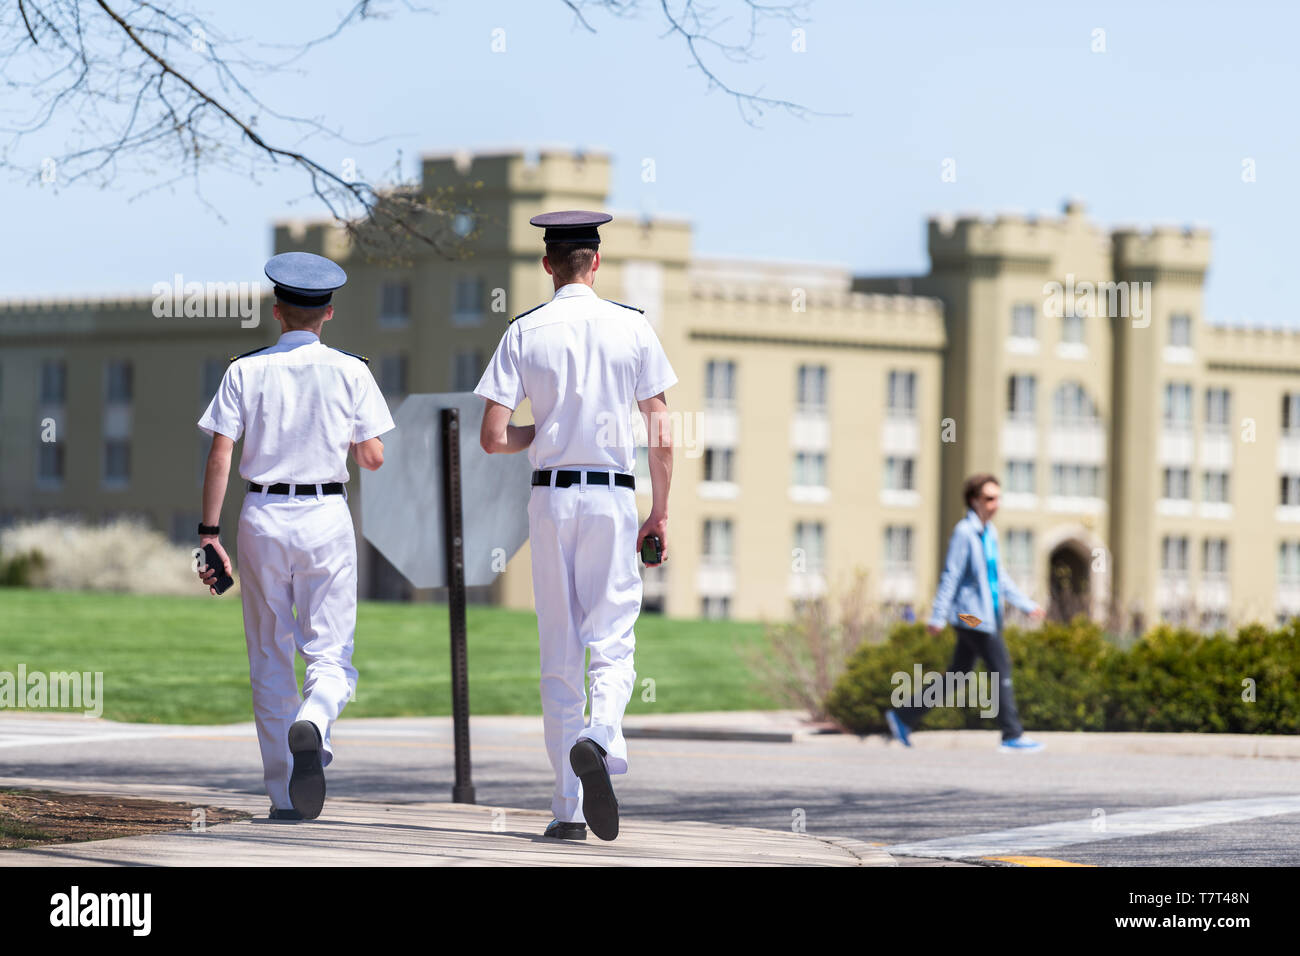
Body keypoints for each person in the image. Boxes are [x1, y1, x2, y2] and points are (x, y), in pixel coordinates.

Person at [475, 210, 676, 842]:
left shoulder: (524, 331)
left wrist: (547, 431)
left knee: (558, 652)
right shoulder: (633, 327)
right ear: (596, 259)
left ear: (547, 265)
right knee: (612, 638)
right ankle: (599, 736)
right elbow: (662, 431)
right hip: (612, 496)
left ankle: (566, 810)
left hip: (550, 499)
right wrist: (661, 511)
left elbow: (491, 437)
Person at [196, 251, 395, 820]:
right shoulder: (353, 370)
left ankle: (285, 794)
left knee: (269, 652)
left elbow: (219, 454)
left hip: (261, 515)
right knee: (330, 650)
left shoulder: (244, 370)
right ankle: (317, 716)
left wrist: (209, 533)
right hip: (326, 515)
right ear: (328, 313)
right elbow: (374, 457)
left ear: (277, 311)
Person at [886, 472, 1046, 752]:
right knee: (1001, 667)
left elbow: (1000, 576)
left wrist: (1026, 604)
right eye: (989, 498)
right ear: (974, 501)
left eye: (998, 498)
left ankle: (903, 715)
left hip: (986, 614)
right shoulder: (965, 532)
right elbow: (951, 574)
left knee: (958, 673)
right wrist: (937, 616)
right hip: (970, 616)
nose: (995, 504)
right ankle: (1011, 734)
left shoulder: (989, 533)